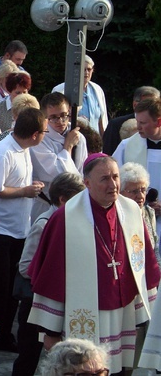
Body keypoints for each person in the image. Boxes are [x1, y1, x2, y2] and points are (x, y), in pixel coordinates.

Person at [28, 154, 161, 373]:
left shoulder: (131, 211)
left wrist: (144, 310)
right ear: (87, 183)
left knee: (118, 369)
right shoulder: (65, 218)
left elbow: (142, 262)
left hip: (122, 311)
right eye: (105, 178)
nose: (113, 185)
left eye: (116, 177)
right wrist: (50, 331)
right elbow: (51, 276)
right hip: (85, 313)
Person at [0, 107, 47, 352]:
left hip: (19, 230)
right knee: (0, 290)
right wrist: (24, 191)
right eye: (44, 132)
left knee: (12, 290)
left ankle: (6, 332)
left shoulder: (24, 150)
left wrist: (30, 187)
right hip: (0, 231)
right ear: (34, 134)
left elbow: (15, 183)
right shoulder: (3, 152)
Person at [13, 172, 85, 376]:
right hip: (36, 303)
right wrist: (54, 276)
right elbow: (26, 265)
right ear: (63, 199)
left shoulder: (75, 221)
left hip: (61, 300)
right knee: (29, 355)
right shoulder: (44, 223)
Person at [30, 92, 87, 219]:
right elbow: (58, 173)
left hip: (75, 201)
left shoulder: (79, 138)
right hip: (46, 204)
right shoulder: (40, 139)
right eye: (53, 117)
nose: (60, 121)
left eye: (64, 116)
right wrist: (68, 147)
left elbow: (80, 172)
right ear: (45, 118)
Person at [113, 97, 161, 195]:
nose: (138, 126)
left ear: (158, 122)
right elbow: (115, 179)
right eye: (137, 121)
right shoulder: (126, 146)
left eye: (143, 123)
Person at [52, 55, 108, 135]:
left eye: (89, 69)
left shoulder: (97, 90)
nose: (86, 73)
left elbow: (101, 120)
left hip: (94, 141)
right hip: (71, 138)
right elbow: (54, 118)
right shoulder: (60, 90)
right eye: (83, 69)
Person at [119, 162, 159, 256]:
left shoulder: (149, 213)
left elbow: (155, 250)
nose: (140, 196)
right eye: (134, 191)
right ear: (120, 192)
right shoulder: (117, 215)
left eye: (143, 190)